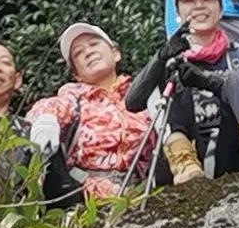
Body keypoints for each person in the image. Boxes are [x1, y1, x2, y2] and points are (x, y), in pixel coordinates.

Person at [127, 0, 239, 181]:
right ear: (177, 12)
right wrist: (160, 58)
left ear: (221, 10)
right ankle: (183, 161)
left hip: (233, 145)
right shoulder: (171, 60)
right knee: (165, 81)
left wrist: (206, 81)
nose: (199, 6)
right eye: (188, 0)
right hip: (191, 143)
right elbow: (133, 102)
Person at [29, 23, 161, 202]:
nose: (88, 52)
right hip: (87, 199)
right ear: (77, 75)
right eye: (78, 53)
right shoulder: (75, 99)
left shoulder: (144, 93)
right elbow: (51, 106)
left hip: (145, 193)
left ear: (116, 54)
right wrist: (46, 120)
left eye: (94, 44)